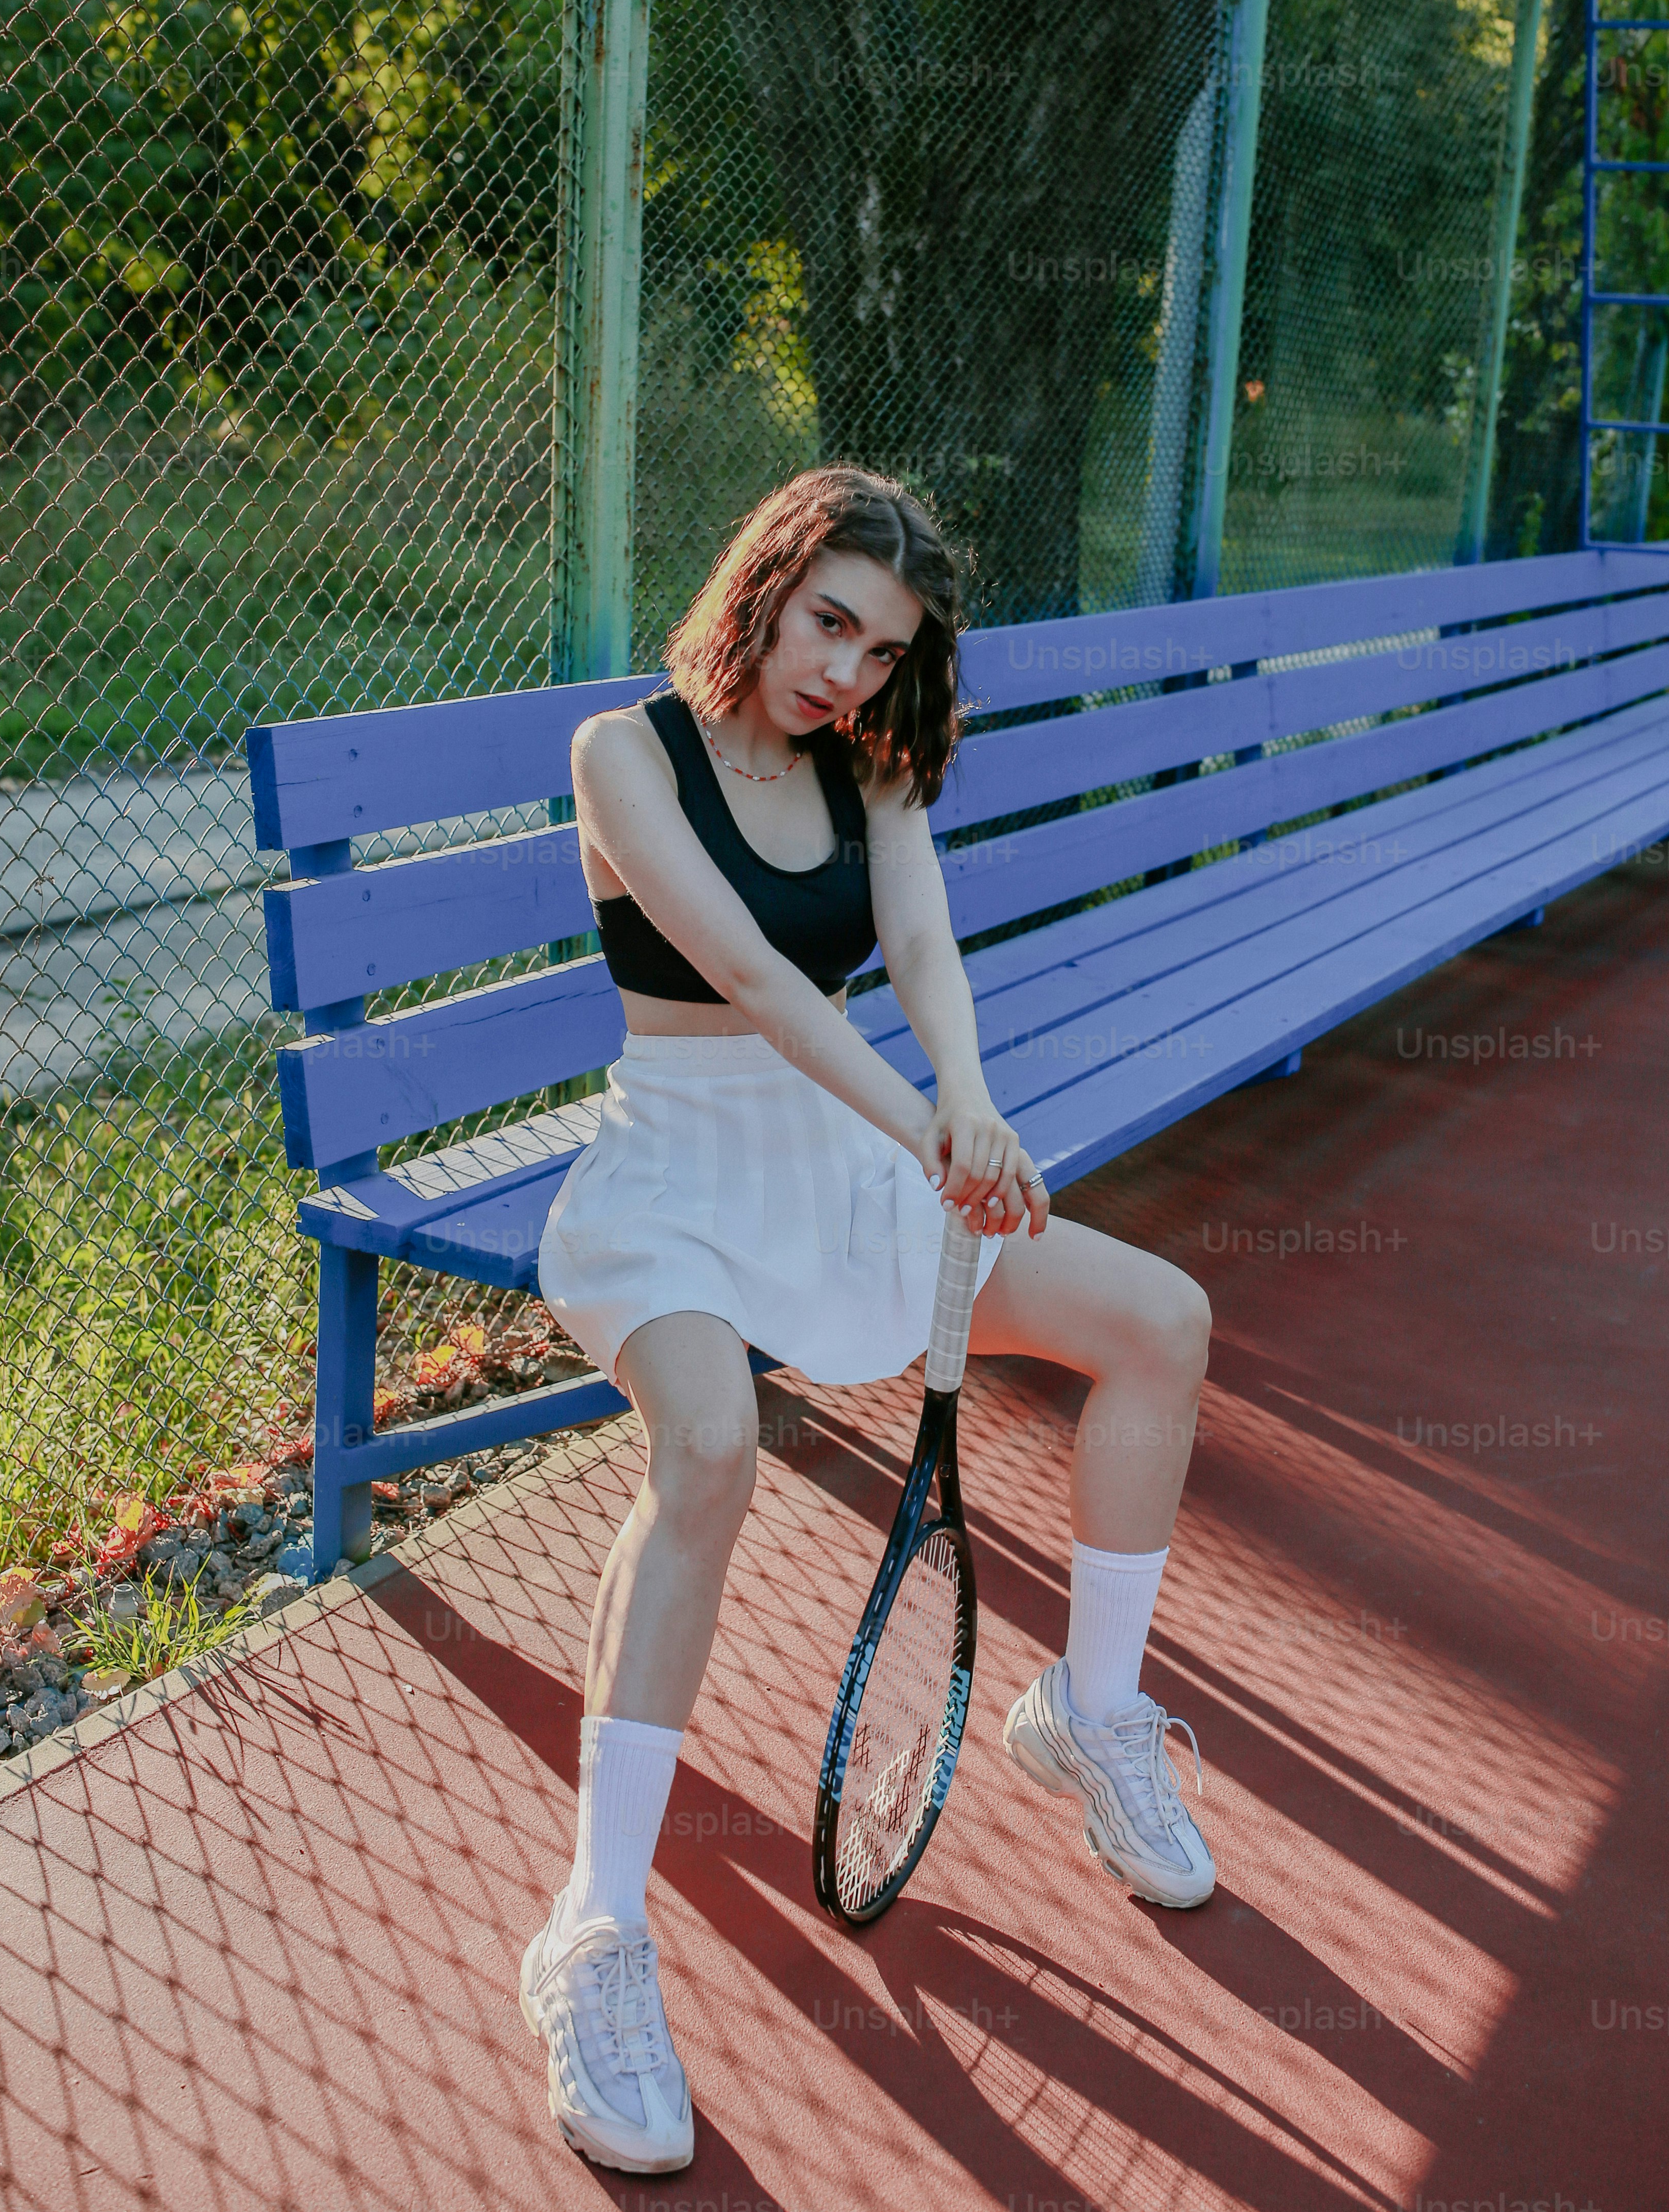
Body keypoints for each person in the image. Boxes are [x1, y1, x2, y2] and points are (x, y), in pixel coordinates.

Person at [522, 468, 1213, 2174]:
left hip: (847, 1175)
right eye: (830, 619)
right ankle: (596, 1929)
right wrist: (930, 1133)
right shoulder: (625, 754)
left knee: (1163, 1320)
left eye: (882, 647)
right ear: (763, 579)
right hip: (677, 1180)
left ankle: (1092, 1713)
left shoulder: (875, 760)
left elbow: (918, 943)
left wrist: (967, 1103)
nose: (846, 669)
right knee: (706, 1445)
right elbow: (756, 979)